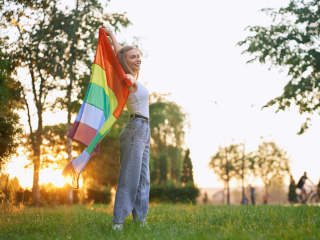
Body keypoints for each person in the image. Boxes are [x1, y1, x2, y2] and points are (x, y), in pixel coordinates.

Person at [102, 27, 151, 230]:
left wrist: (112, 35)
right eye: (133, 57)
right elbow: (121, 64)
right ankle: (118, 222)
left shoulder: (133, 76)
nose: (138, 59)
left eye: (138, 56)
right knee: (130, 176)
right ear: (126, 62)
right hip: (135, 129)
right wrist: (128, 78)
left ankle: (140, 220)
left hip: (144, 130)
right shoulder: (128, 79)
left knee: (143, 178)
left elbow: (121, 52)